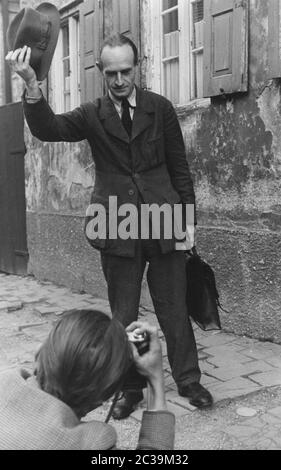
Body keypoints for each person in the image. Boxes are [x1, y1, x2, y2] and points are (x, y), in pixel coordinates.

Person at [6, 33, 213, 420]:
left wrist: (188, 221)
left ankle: (188, 380)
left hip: (163, 220)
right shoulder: (92, 113)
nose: (120, 80)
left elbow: (179, 168)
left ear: (138, 67)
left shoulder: (161, 108)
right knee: (123, 312)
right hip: (116, 222)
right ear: (101, 71)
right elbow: (48, 128)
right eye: (112, 73)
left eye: (126, 71)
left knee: (173, 306)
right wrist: (32, 85)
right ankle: (129, 388)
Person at [0, 309, 175, 450]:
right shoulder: (92, 442)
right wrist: (155, 379)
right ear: (99, 401)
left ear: (41, 350)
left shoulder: (5, 380)